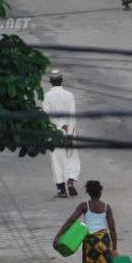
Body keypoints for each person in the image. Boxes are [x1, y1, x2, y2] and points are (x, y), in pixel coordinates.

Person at [53, 180, 118, 263]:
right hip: (103, 242)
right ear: (100, 192)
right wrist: (114, 248)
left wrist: (58, 236)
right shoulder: (107, 207)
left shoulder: (84, 206)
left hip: (90, 242)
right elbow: (112, 229)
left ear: (88, 193)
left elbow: (71, 220)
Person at [43, 69, 80, 198]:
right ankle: (70, 180)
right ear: (61, 80)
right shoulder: (69, 95)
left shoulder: (47, 96)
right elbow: (72, 115)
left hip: (54, 132)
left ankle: (62, 190)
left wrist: (59, 125)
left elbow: (46, 116)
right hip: (69, 131)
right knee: (72, 158)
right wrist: (69, 133)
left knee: (57, 160)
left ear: (50, 81)